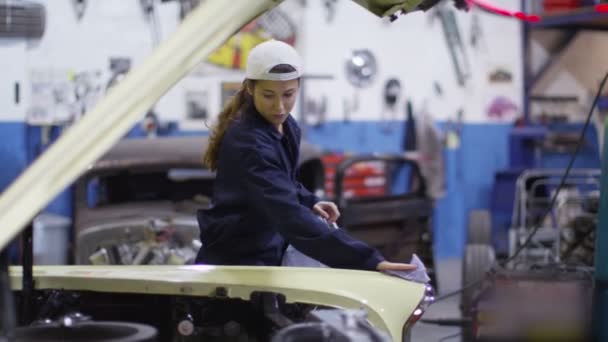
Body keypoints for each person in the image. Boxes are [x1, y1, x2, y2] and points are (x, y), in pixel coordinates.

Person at [196, 39, 415, 273]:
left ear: (298, 87)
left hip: (264, 252)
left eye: (288, 94)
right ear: (250, 89)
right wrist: (368, 261)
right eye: (268, 95)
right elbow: (287, 214)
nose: (279, 106)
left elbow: (283, 181)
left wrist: (309, 202)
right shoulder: (249, 143)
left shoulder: (287, 127)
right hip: (234, 262)